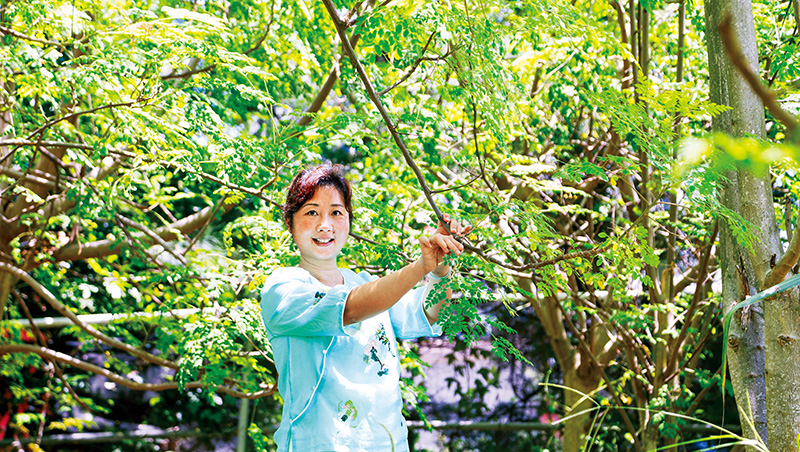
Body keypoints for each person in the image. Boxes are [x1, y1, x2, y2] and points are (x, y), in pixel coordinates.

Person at [260, 164, 470, 451]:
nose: (325, 225)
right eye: (311, 212)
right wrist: (421, 266)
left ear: (348, 220)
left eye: (336, 212)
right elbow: (351, 309)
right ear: (290, 222)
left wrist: (439, 269)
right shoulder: (283, 288)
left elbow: (430, 313)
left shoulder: (366, 283)